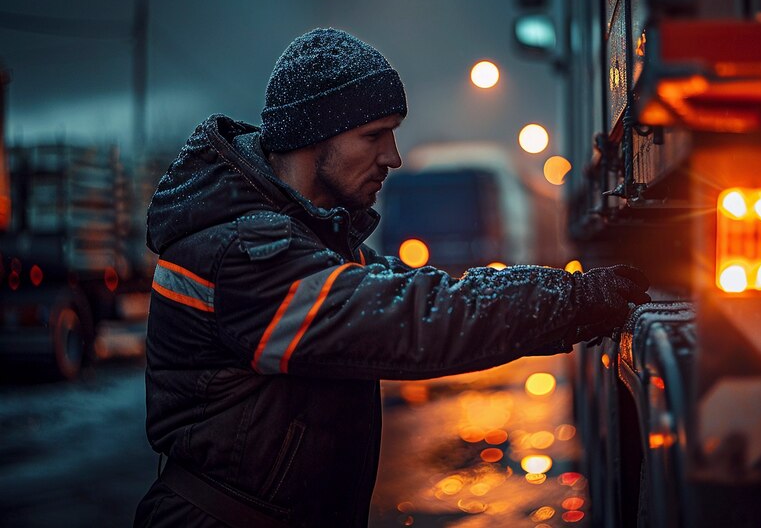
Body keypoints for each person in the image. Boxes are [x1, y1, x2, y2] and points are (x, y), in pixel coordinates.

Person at [134, 28, 650, 527]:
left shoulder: (308, 244)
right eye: (374, 135)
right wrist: (574, 296)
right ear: (315, 136)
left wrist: (568, 293)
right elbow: (415, 318)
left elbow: (422, 291)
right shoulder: (244, 253)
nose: (393, 158)